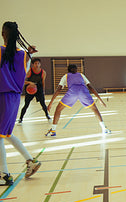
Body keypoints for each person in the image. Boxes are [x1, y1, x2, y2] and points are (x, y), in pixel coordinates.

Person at [0, 21, 41, 185]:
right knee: (6, 134)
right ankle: (31, 161)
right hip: (15, 98)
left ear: (3, 33)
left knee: (1, 136)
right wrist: (29, 53)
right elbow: (23, 72)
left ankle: (4, 174)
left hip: (2, 96)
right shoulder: (24, 55)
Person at [46, 64, 110, 136]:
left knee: (58, 109)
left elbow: (58, 90)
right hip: (83, 92)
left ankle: (53, 130)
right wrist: (100, 99)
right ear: (76, 70)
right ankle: (104, 129)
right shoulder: (81, 75)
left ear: (68, 70)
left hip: (72, 93)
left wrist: (51, 103)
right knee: (95, 109)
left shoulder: (65, 76)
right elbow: (91, 87)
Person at [18, 58, 51, 124]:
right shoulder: (29, 71)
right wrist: (30, 83)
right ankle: (20, 119)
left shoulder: (43, 72)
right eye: (35, 63)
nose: (37, 65)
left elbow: (43, 82)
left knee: (43, 104)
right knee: (26, 105)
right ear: (32, 64)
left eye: (38, 63)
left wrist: (43, 91)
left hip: (39, 88)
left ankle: (47, 115)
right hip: (30, 88)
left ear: (40, 64)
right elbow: (23, 81)